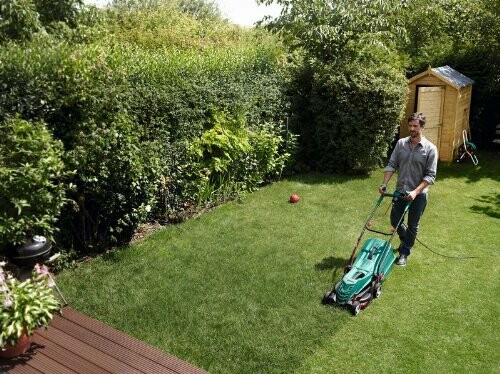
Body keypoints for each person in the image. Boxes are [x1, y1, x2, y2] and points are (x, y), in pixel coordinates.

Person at [379, 112, 438, 266]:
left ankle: (404, 253)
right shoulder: (401, 144)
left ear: (422, 127)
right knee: (394, 220)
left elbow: (430, 176)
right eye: (410, 125)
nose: (412, 128)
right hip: (400, 190)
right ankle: (406, 239)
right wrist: (384, 183)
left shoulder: (430, 149)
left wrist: (415, 192)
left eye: (415, 126)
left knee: (413, 224)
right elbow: (392, 164)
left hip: (418, 195)